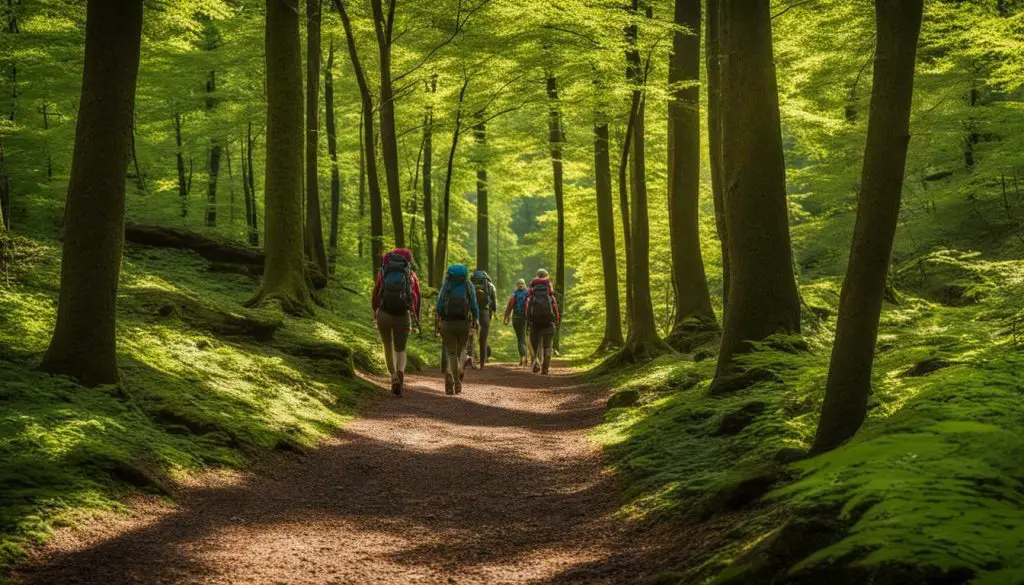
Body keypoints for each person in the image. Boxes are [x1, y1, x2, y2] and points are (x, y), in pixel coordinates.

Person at [372, 248, 420, 396]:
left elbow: (376, 293)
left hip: (384, 314)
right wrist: (415, 316)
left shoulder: (383, 272)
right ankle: (400, 373)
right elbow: (417, 298)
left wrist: (375, 312)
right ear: (408, 261)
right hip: (402, 315)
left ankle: (393, 377)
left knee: (387, 345)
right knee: (401, 349)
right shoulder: (410, 275)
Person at [435, 264, 480, 395]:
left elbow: (439, 305)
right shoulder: (468, 284)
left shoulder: (447, 284)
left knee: (451, 353)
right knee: (462, 349)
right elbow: (474, 303)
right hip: (463, 323)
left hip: (448, 323)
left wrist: (439, 321)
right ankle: (458, 372)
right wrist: (476, 319)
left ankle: (453, 377)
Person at [526, 268, 560, 375]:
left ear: (537, 275)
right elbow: (554, 307)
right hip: (548, 322)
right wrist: (557, 319)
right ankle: (545, 368)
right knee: (547, 346)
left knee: (534, 345)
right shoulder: (548, 287)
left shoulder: (532, 287)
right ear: (546, 275)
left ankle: (535, 363)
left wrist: (528, 321)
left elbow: (527, 307)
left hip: (535, 322)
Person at [467, 269, 497, 369]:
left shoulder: (470, 283)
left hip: (471, 311)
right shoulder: (490, 285)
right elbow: (493, 301)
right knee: (483, 338)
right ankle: (482, 363)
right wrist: (493, 312)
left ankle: (471, 360)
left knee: (470, 337)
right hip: (485, 312)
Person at [503, 278, 530, 367]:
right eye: (520, 284)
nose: (520, 285)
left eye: (521, 284)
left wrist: (506, 317)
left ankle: (523, 357)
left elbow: (509, 306)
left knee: (520, 338)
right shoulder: (528, 293)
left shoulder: (514, 294)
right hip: (527, 318)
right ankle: (526, 357)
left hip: (517, 318)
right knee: (526, 338)